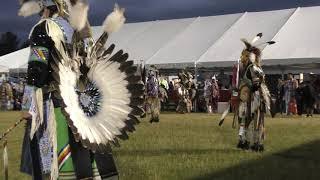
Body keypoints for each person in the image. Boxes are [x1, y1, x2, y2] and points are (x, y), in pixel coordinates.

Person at [18, 1, 143, 179]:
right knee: (88, 145)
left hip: (57, 107)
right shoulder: (83, 31)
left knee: (59, 157)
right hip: (84, 109)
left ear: (46, 7)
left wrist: (28, 105)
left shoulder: (44, 28)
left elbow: (37, 69)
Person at [235, 33, 274, 152]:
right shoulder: (253, 68)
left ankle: (250, 142)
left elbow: (258, 82)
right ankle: (249, 142)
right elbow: (253, 82)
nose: (244, 58)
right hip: (250, 97)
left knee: (252, 120)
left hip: (256, 97)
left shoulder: (254, 68)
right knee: (247, 120)